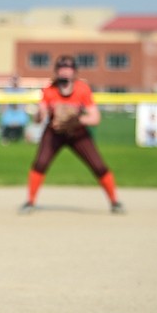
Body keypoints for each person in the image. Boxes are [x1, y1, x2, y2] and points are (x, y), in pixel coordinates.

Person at [20, 56, 123, 214]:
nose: (65, 72)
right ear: (56, 72)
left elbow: (95, 118)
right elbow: (39, 118)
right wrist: (40, 113)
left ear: (74, 72)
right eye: (62, 69)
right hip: (55, 132)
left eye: (68, 69)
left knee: (98, 166)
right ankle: (30, 201)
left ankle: (114, 201)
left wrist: (76, 119)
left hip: (77, 132)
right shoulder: (50, 90)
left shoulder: (82, 89)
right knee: (40, 163)